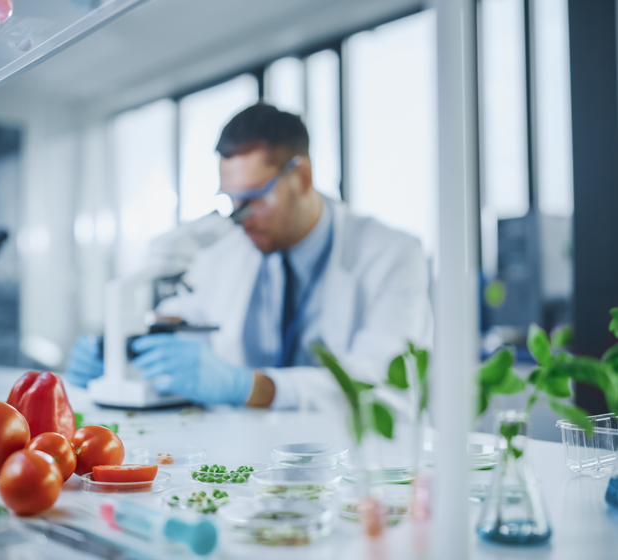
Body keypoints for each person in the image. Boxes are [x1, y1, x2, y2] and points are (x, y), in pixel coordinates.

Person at [67, 103, 432, 410]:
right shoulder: (228, 250)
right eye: (231, 201)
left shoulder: (393, 254)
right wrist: (119, 353)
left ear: (302, 177)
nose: (240, 218)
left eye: (254, 198)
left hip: (355, 463)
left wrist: (254, 387)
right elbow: (188, 329)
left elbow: (381, 384)